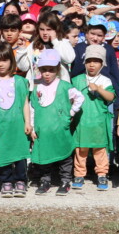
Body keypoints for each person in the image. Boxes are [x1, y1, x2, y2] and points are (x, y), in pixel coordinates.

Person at [0, 42, 31, 198]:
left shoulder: (20, 82)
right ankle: (6, 181)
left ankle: (20, 180)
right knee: (2, 152)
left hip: (18, 125)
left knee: (20, 153)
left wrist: (28, 122)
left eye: (4, 60)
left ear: (11, 60)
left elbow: (25, 104)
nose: (1, 64)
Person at [29, 49, 81, 195]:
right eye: (44, 70)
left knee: (64, 156)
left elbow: (79, 98)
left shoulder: (64, 86)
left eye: (51, 70)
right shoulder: (37, 87)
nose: (47, 73)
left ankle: (65, 181)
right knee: (44, 157)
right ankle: (45, 181)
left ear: (57, 69)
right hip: (43, 130)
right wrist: (32, 127)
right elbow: (32, 107)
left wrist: (70, 113)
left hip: (60, 130)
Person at [72, 44, 114, 191]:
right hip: (81, 121)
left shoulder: (105, 80)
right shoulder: (77, 80)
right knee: (80, 149)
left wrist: (99, 89)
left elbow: (111, 97)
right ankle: (79, 174)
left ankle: (102, 174)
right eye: (89, 61)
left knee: (100, 150)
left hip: (98, 122)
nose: (92, 64)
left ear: (102, 64)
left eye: (96, 61)